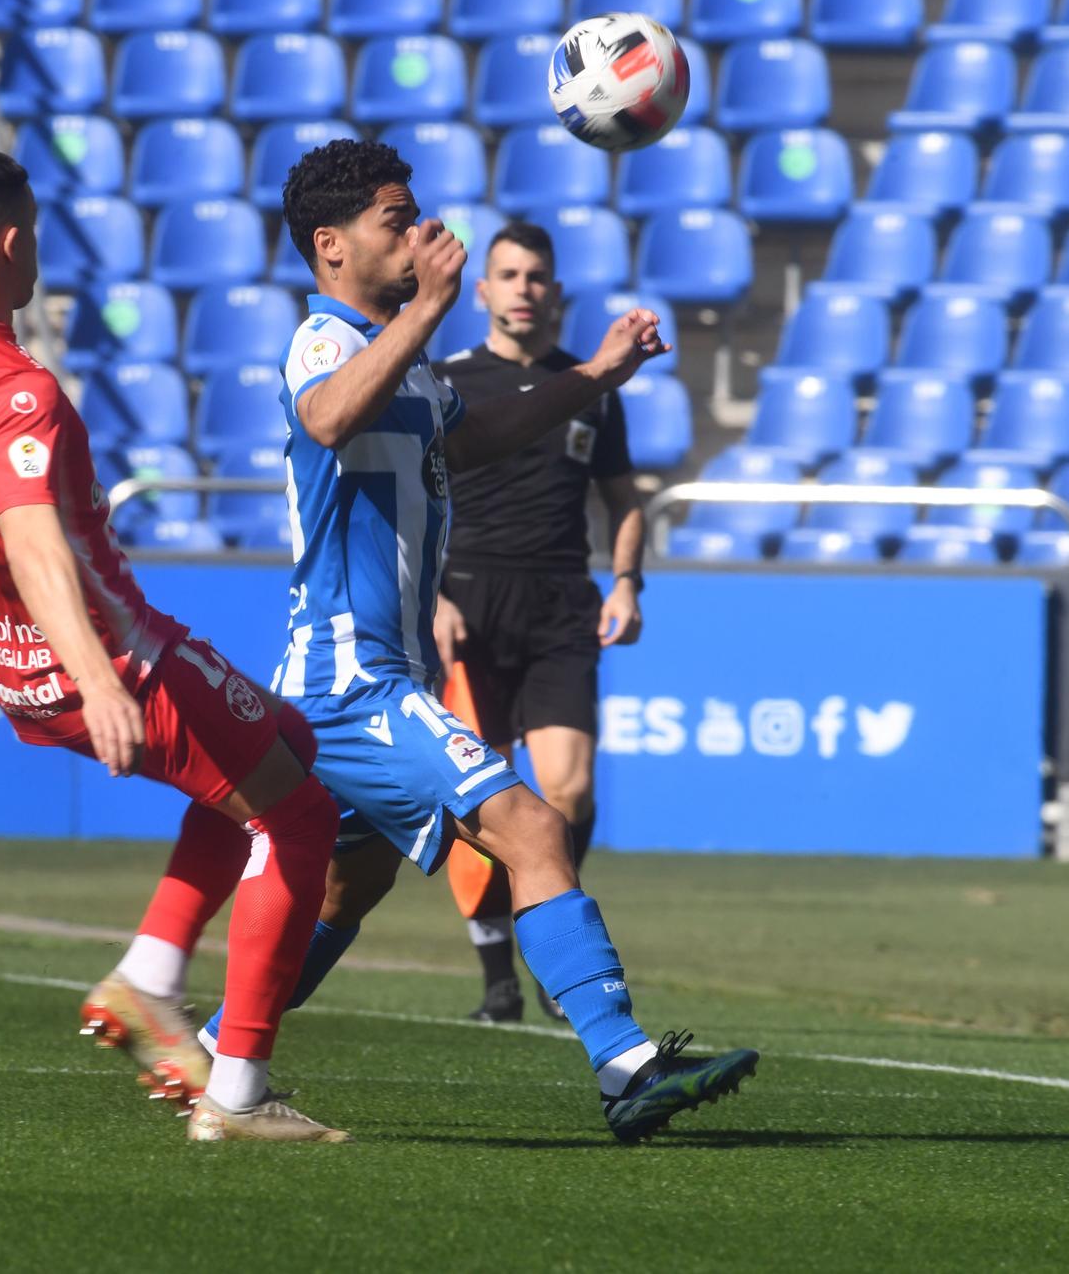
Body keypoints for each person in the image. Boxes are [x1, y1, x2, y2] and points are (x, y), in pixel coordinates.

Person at [197, 139, 757, 1143]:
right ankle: (624, 1063)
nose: (416, 236)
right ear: (330, 246)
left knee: (343, 885)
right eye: (392, 220)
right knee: (533, 830)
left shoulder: (398, 361)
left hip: (359, 678)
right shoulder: (325, 339)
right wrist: (423, 314)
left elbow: (481, 432)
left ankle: (214, 1054)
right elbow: (324, 419)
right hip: (348, 680)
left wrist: (593, 373)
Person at [0, 146, 348, 1144]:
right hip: (114, 658)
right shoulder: (15, 391)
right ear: (10, 244)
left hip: (17, 670)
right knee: (302, 820)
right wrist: (102, 680)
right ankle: (235, 1093)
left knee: (284, 745)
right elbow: (33, 544)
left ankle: (148, 978)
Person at [431, 222, 649, 1024]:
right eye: (509, 274)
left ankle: (555, 940)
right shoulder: (446, 381)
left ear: (554, 292)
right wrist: (432, 597)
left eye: (537, 276)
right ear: (483, 291)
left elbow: (624, 499)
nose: (524, 287)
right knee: (476, 802)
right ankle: (498, 974)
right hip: (467, 603)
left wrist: (626, 581)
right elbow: (413, 501)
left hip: (561, 602)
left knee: (569, 789)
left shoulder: (589, 384)